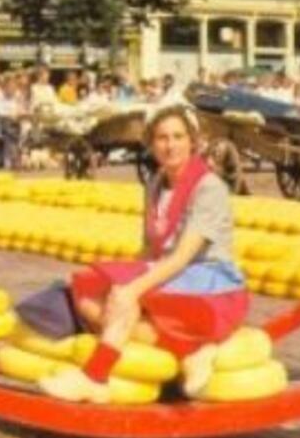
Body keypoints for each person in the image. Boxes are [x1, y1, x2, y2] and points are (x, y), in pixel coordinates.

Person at [39, 104, 249, 403]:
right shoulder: (154, 184)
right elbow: (149, 249)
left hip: (208, 284)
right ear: (151, 143)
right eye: (162, 138)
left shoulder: (208, 188)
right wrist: (119, 284)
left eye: (178, 136)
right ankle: (190, 350)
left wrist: (130, 290)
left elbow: (182, 257)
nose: (170, 145)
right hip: (169, 273)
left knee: (126, 296)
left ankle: (95, 377)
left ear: (193, 141)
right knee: (86, 293)